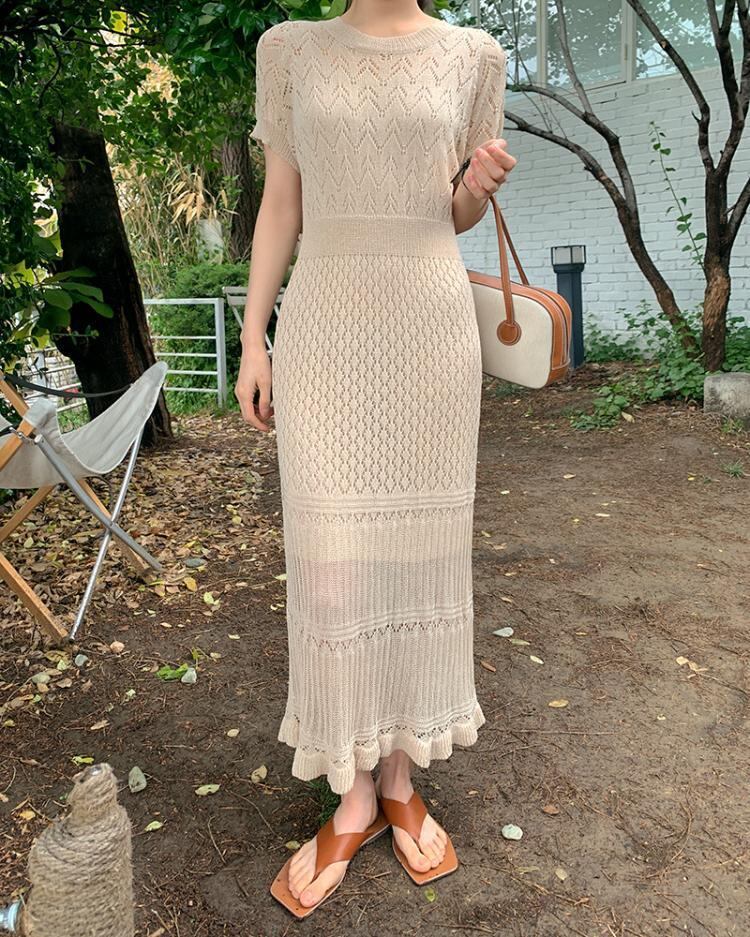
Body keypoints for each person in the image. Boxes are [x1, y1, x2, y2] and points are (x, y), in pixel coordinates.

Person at [236, 0, 517, 917]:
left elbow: (454, 212)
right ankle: (353, 790)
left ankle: (398, 778)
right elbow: (282, 204)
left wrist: (477, 187)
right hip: (324, 328)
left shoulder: (475, 56)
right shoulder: (290, 51)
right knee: (330, 566)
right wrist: (253, 337)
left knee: (413, 555)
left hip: (429, 329)